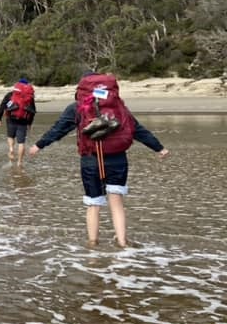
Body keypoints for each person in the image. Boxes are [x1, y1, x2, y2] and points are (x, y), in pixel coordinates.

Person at [28, 73, 169, 248]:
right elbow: (138, 130)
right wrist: (159, 148)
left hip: (91, 160)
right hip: (118, 159)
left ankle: (93, 244)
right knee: (116, 201)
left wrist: (39, 145)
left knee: (93, 204)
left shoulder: (77, 107)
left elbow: (58, 130)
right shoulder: (118, 107)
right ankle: (122, 242)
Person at [0, 78, 35, 166]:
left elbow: (2, 106)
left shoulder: (10, 94)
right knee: (21, 143)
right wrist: (30, 123)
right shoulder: (29, 97)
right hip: (23, 121)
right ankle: (19, 162)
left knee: (10, 137)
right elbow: (32, 111)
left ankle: (11, 148)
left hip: (10, 119)